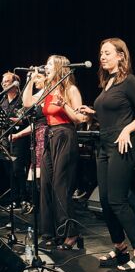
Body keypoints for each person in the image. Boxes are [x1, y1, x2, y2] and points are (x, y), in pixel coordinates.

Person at [80, 37, 135, 272]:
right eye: (101, 53)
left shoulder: (129, 81)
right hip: (104, 144)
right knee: (105, 200)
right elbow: (109, 116)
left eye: (107, 53)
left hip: (123, 144)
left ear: (121, 55)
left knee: (117, 200)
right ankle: (120, 247)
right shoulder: (108, 83)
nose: (102, 56)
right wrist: (92, 113)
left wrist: (127, 130)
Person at [22, 56, 89, 249]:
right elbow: (27, 103)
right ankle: (50, 232)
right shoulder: (47, 89)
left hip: (65, 134)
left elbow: (80, 118)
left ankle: (71, 233)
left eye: (50, 64)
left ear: (60, 67)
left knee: (61, 185)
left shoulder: (70, 90)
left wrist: (64, 105)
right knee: (46, 185)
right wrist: (30, 80)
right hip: (50, 135)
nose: (46, 67)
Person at [11, 73, 47, 214]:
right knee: (35, 179)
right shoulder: (39, 94)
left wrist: (19, 134)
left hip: (45, 138)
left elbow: (40, 123)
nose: (36, 81)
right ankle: (38, 207)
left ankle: (44, 208)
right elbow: (27, 103)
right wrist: (30, 80)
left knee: (42, 177)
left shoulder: (48, 93)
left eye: (39, 77)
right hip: (36, 139)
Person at [0, 71, 30, 212]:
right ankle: (14, 200)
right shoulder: (2, 101)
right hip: (5, 139)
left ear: (15, 84)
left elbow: (28, 120)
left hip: (19, 138)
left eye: (7, 81)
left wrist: (17, 121)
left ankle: (24, 199)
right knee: (9, 171)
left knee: (18, 169)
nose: (3, 84)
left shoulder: (22, 99)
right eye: (3, 82)